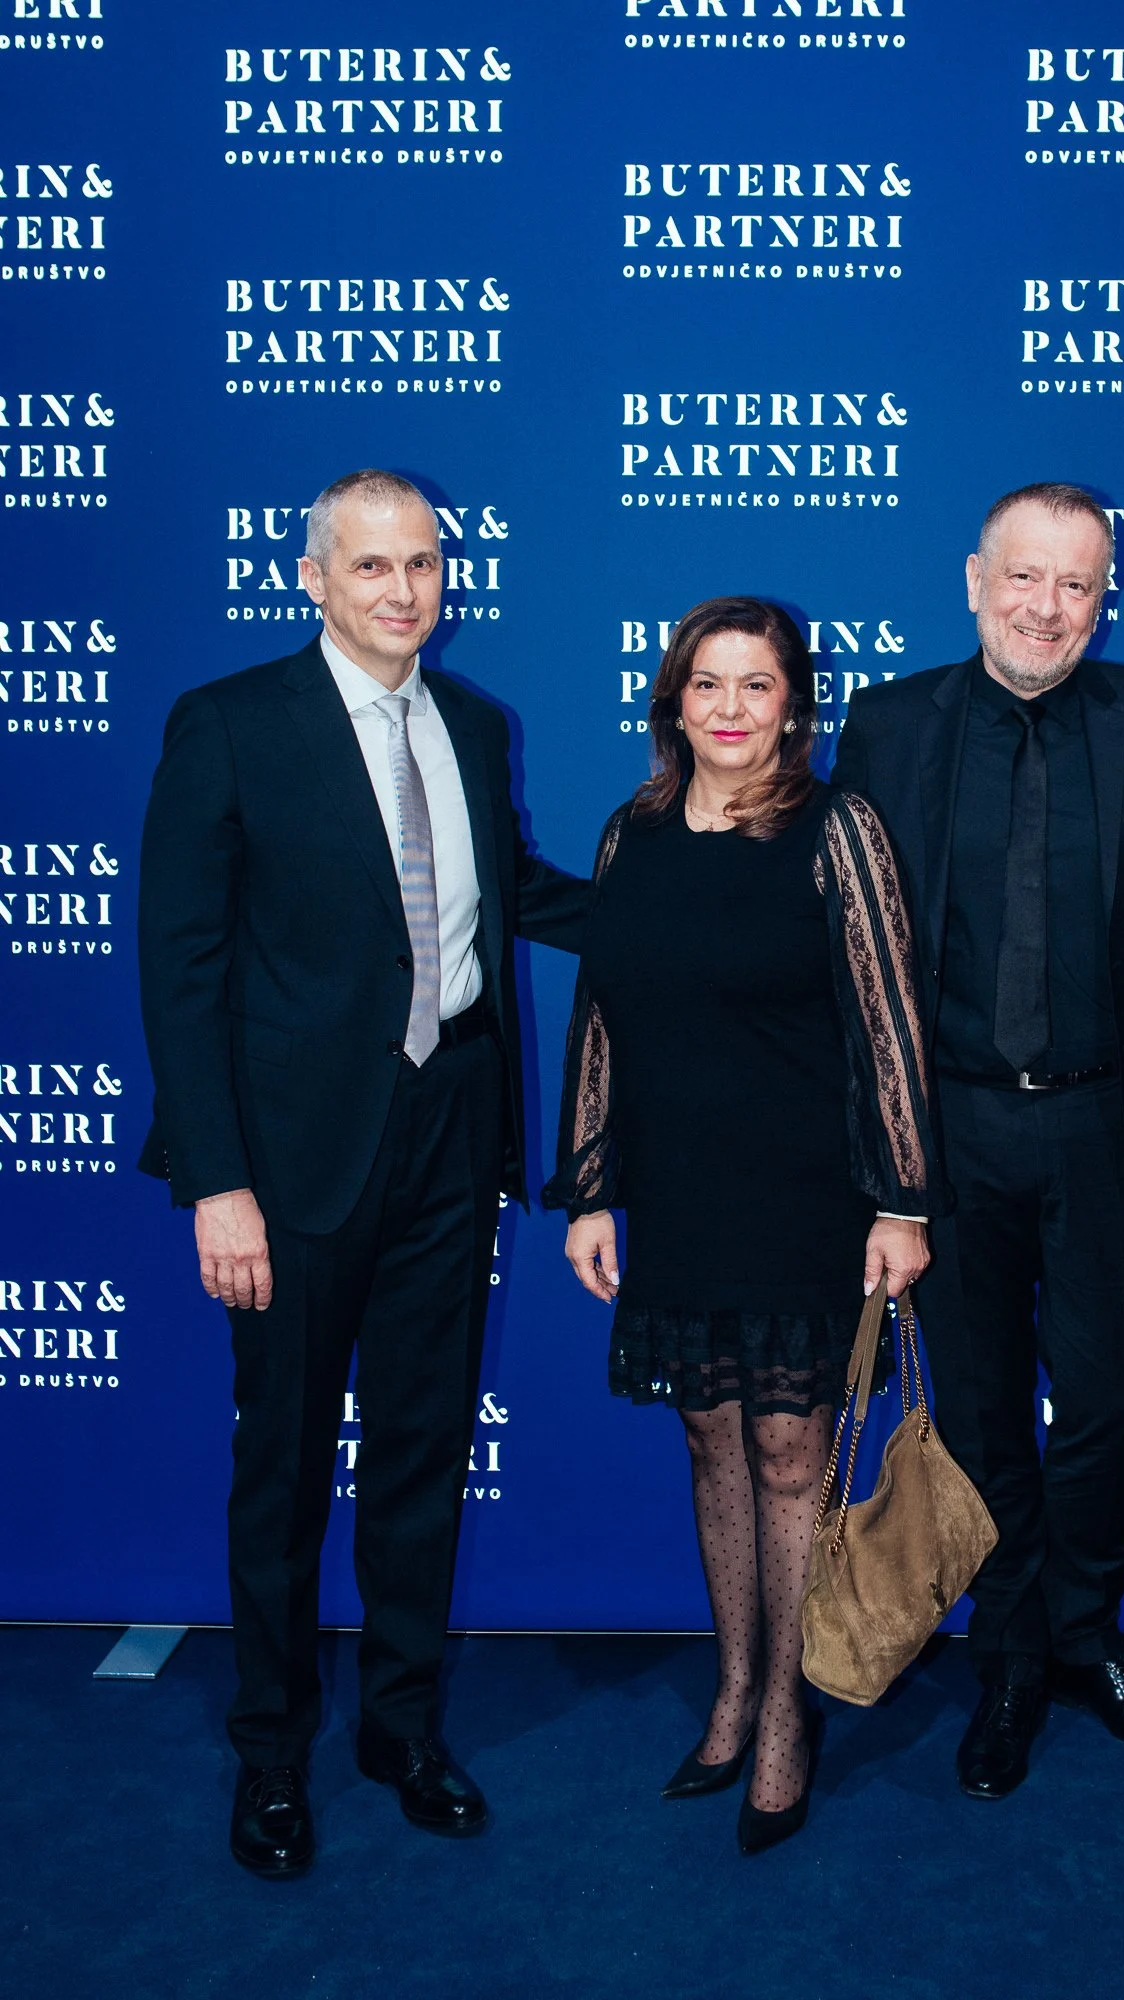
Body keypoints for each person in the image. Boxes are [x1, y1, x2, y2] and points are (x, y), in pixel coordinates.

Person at [137, 469, 589, 1878]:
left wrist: (706, 885)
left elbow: (514, 890)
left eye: (424, 565)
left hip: (449, 1134)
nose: (404, 590)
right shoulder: (227, 726)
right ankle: (270, 1756)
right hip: (287, 1165)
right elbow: (180, 968)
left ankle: (402, 1726)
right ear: (315, 580)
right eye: (374, 567)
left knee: (422, 1448)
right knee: (278, 1468)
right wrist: (218, 1181)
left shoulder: (469, 721)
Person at [544, 596, 946, 1855]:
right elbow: (601, 1012)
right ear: (674, 702)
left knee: (788, 1456)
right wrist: (591, 1183)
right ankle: (728, 1682)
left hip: (804, 1195)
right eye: (705, 684)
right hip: (677, 1193)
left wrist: (899, 1198)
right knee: (714, 1448)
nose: (728, 706)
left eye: (754, 685)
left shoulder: (839, 830)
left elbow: (888, 1023)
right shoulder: (632, 831)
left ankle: (783, 1710)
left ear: (792, 704)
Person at [831, 484, 1124, 1799]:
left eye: (1079, 585)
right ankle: (1006, 1658)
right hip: (953, 1130)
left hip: (1111, 1123)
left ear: (1104, 598)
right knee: (985, 1414)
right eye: (1027, 579)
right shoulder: (886, 724)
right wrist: (890, 1175)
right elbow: (855, 959)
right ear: (974, 579)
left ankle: (1087, 1639)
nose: (1050, 608)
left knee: (1107, 1406)